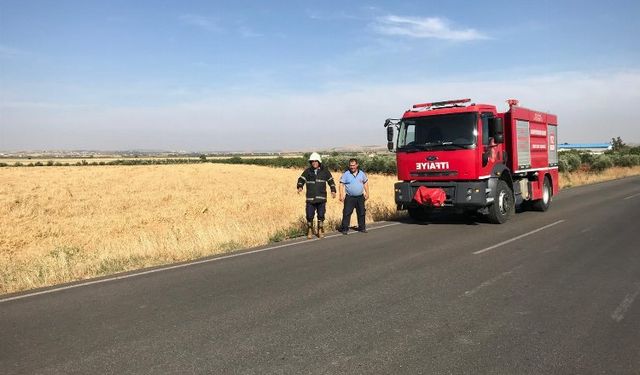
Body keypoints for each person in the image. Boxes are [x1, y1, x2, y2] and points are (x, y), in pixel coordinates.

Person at [297, 152, 337, 239]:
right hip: (310, 199)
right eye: (312, 161)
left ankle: (320, 229)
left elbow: (331, 181)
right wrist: (300, 186)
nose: (314, 163)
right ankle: (310, 230)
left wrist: (333, 191)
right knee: (309, 215)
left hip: (321, 198)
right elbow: (301, 179)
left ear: (319, 161)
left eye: (316, 161)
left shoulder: (325, 171)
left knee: (321, 215)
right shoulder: (307, 171)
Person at [339, 158, 369, 234]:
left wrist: (367, 193)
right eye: (351, 165)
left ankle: (362, 227)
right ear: (349, 166)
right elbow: (341, 184)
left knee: (361, 212)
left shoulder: (362, 174)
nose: (352, 167)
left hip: (360, 197)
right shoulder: (346, 174)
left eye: (353, 165)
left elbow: (365, 183)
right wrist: (341, 195)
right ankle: (345, 228)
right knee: (347, 213)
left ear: (357, 165)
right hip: (350, 197)